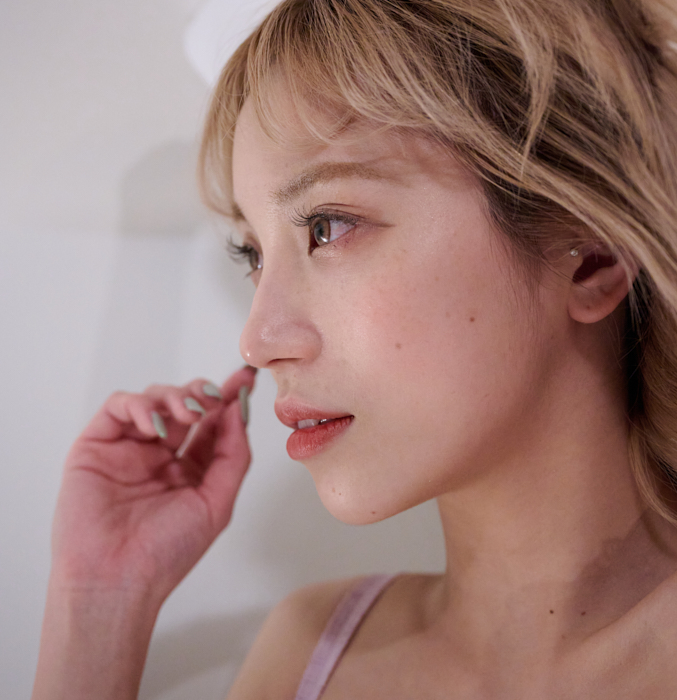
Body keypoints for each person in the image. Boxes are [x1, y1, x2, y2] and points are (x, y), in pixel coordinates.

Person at [31, 0, 677, 698]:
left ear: (590, 255)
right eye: (252, 254)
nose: (256, 342)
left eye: (327, 226)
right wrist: (97, 606)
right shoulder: (306, 652)